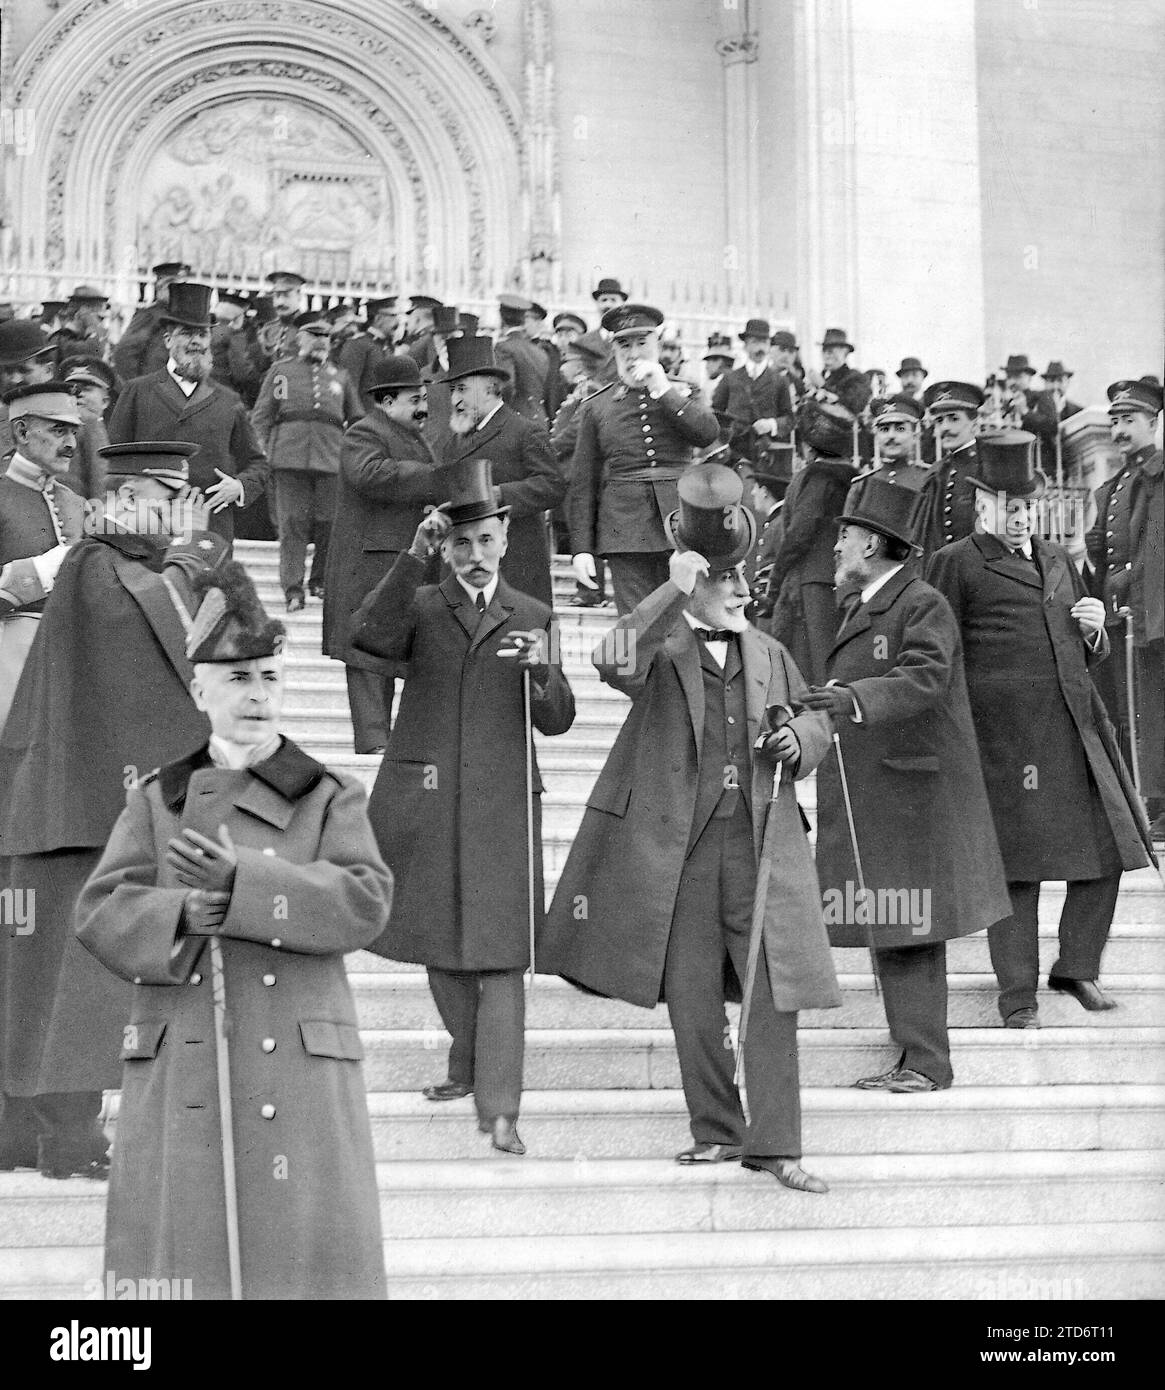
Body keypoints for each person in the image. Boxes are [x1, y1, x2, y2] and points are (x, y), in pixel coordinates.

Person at [75, 561, 392, 1299]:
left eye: (269, 678)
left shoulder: (327, 792)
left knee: (301, 1258)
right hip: (187, 1053)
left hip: (298, 1060)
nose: (257, 695)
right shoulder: (160, 796)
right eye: (238, 678)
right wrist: (181, 913)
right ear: (199, 692)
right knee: (187, 1257)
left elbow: (366, 899)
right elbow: (98, 910)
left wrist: (246, 884)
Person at [542, 465, 838, 1190]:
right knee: (694, 996)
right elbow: (608, 657)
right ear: (696, 583)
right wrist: (669, 588)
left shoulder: (767, 652)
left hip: (763, 844)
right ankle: (715, 1131)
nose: (742, 592)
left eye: (743, 579)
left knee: (774, 994)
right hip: (674, 852)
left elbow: (816, 716)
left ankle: (776, 1145)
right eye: (726, 580)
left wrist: (799, 740)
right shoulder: (664, 643)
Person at [0, 441, 228, 1179]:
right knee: (72, 980)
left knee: (60, 979)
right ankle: (67, 1139)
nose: (186, 508)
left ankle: (47, 1137)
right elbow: (149, 632)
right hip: (83, 804)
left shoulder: (116, 563)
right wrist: (193, 562)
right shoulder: (100, 564)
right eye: (174, 493)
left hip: (90, 800)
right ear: (134, 495)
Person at [351, 459, 575, 1156]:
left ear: (506, 540)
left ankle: (500, 1107)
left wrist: (540, 671)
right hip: (428, 798)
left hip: (503, 804)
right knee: (439, 942)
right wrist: (412, 557)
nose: (474, 558)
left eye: (485, 542)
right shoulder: (419, 605)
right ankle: (465, 1062)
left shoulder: (534, 615)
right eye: (460, 544)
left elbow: (558, 720)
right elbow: (369, 636)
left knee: (502, 955)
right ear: (445, 548)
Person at [927, 432, 1155, 1027]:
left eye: (1027, 505)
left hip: (1076, 729)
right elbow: (934, 656)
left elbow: (1084, 651)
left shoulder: (1057, 559)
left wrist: (1094, 630)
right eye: (1008, 506)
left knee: (1110, 851)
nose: (1021, 517)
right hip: (1003, 740)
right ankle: (1017, 997)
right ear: (982, 507)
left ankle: (1077, 966)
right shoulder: (956, 564)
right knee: (1018, 870)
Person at [804, 473, 1010, 1090]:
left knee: (910, 928)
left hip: (911, 797)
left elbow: (926, 677)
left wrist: (852, 697)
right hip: (881, 797)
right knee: (893, 925)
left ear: (868, 544)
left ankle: (926, 1062)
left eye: (843, 538)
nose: (836, 549)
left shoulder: (921, 603)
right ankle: (915, 1056)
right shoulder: (872, 605)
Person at [324, 355, 445, 754]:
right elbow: (370, 475)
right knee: (365, 652)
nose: (423, 407)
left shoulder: (410, 436)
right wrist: (434, 479)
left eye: (424, 398)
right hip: (368, 563)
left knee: (388, 648)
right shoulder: (364, 432)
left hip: (397, 560)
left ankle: (384, 739)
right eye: (415, 400)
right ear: (387, 401)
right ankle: (374, 739)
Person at [568, 302, 719, 614]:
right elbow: (583, 482)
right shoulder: (597, 406)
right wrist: (581, 549)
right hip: (624, 529)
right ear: (613, 349)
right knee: (633, 625)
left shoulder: (683, 393)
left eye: (641, 343)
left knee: (685, 621)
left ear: (657, 345)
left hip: (683, 522)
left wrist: (662, 388)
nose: (633, 353)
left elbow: (706, 433)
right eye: (624, 344)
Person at [107, 283, 269, 545]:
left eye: (202, 335)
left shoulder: (228, 401)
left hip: (211, 529)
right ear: (168, 339)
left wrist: (239, 486)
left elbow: (258, 463)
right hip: (147, 528)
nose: (196, 342)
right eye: (186, 333)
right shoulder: (138, 392)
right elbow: (113, 461)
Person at [1086, 379, 1164, 838]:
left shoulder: (1159, 474)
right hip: (1117, 616)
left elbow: (1156, 550)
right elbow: (1104, 557)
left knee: (1153, 709)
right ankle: (1134, 802)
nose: (1119, 429)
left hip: (1149, 616)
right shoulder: (1112, 486)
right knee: (1121, 709)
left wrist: (1133, 589)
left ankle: (1160, 803)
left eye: (1129, 420)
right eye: (1113, 420)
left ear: (1152, 423)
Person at [439, 333, 564, 607]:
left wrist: (499, 495)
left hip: (516, 562)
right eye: (452, 391)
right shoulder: (454, 441)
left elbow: (553, 485)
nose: (455, 399)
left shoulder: (526, 431)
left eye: (462, 389)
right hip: (467, 565)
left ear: (489, 389)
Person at [251, 308, 362, 611]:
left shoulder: (341, 376)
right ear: (299, 338)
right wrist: (258, 452)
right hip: (288, 457)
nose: (320, 342)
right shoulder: (281, 372)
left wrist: (353, 453)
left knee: (329, 522)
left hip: (331, 458)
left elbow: (356, 419)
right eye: (313, 336)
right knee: (292, 524)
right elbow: (262, 415)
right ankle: (293, 589)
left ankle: (320, 581)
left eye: (325, 337)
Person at [0, 383, 88, 734]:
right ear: (22, 431)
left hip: (65, 678)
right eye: (58, 430)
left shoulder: (75, 504)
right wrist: (39, 572)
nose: (71, 443)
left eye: (74, 431)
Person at [712, 318, 794, 472]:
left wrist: (771, 424)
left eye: (764, 343)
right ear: (745, 345)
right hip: (734, 455)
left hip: (767, 457)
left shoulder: (780, 381)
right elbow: (715, 414)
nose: (760, 348)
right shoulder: (730, 378)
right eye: (755, 342)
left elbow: (789, 419)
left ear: (769, 346)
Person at [918, 380, 985, 564]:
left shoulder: (989, 467)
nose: (945, 427)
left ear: (974, 423)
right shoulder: (936, 473)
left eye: (954, 419)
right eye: (939, 420)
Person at [112, 261, 190, 382]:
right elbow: (124, 353)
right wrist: (137, 388)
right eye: (173, 285)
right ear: (160, 288)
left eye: (183, 286)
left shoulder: (182, 315)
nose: (181, 292)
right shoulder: (150, 315)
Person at [746, 448, 793, 630]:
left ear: (765, 491)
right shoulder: (775, 522)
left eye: (755, 487)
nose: (752, 493)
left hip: (774, 613)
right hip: (767, 610)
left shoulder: (780, 524)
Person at [58, 358, 116, 500]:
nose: (79, 393)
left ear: (105, 401)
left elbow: (100, 480)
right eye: (72, 388)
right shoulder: (64, 426)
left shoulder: (94, 424)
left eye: (87, 389)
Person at [0, 320, 58, 456]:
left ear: (48, 370)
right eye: (8, 371)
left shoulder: (78, 422)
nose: (15, 379)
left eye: (24, 370)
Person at [494, 292, 551, 425]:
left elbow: (506, 386)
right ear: (523, 319)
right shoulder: (539, 351)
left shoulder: (504, 347)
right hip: (539, 419)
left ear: (501, 317)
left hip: (514, 422)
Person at [340, 297, 402, 414]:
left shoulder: (387, 348)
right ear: (378, 318)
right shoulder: (358, 345)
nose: (398, 322)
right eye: (393, 316)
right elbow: (349, 389)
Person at [866, 393, 930, 488]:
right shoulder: (863, 484)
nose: (891, 436)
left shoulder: (930, 480)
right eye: (884, 430)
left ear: (914, 437)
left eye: (900, 429)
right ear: (876, 437)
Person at [256, 270, 306, 367]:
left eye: (287, 295)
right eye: (277, 295)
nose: (280, 302)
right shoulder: (269, 329)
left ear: (299, 296)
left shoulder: (308, 327)